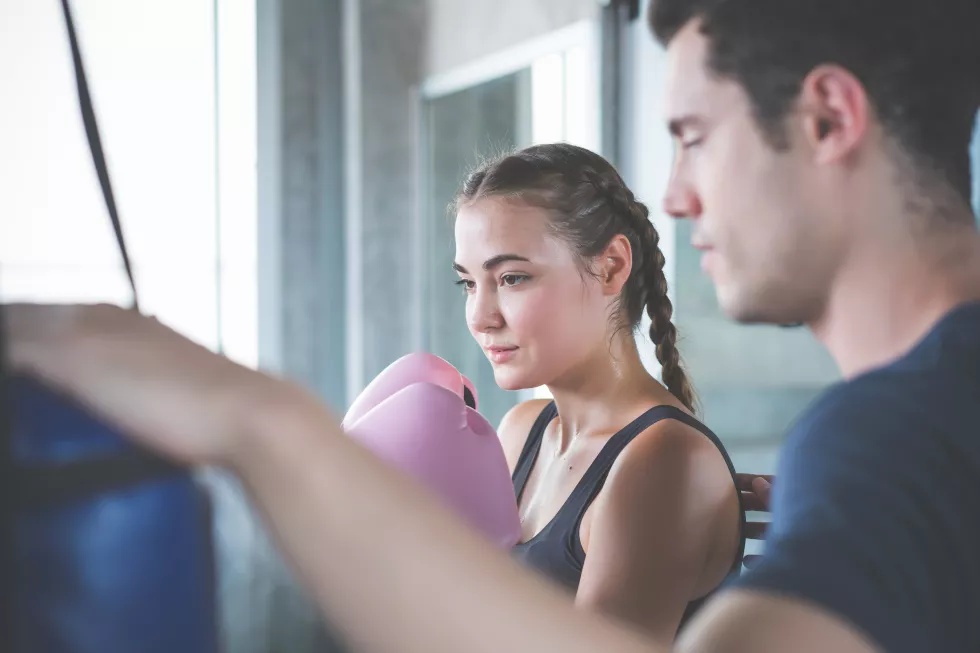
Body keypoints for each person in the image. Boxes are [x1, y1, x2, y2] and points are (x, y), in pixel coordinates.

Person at [6, 0, 980, 651]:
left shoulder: (891, 431)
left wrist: (259, 420)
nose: (676, 195)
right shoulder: (907, 433)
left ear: (825, 118)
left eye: (691, 136)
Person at [452, 143, 744, 640]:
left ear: (610, 266)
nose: (481, 317)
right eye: (468, 284)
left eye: (512, 278)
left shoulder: (663, 459)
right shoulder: (522, 430)